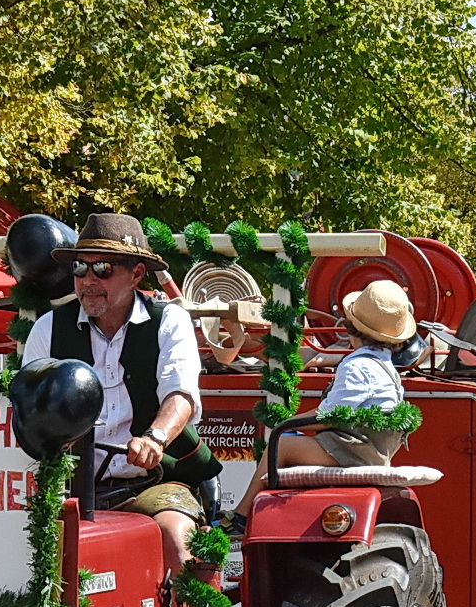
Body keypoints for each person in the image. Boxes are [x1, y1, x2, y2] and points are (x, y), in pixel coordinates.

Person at [21, 213, 216, 573]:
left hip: (152, 482)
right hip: (69, 490)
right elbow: (27, 409)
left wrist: (155, 439)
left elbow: (180, 394)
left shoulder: (168, 322)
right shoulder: (48, 329)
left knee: (177, 537)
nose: (89, 280)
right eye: (80, 268)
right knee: (23, 547)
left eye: (104, 269)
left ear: (137, 274)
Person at [232, 280, 413, 525]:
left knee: (280, 442)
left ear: (351, 328)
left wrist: (288, 422)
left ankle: (243, 516)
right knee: (290, 438)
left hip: (353, 451)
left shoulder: (357, 365)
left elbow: (329, 417)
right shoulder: (387, 367)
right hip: (374, 450)